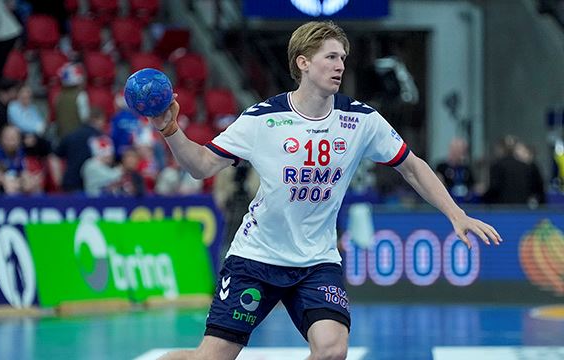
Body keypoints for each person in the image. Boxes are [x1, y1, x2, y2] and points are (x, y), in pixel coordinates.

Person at [148, 21, 501, 360]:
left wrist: (455, 212)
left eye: (343, 58)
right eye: (331, 56)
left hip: (317, 261)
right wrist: (171, 130)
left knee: (332, 349)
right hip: (256, 259)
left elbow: (412, 166)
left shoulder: (360, 120)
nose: (340, 65)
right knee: (212, 357)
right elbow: (201, 166)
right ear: (303, 62)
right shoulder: (263, 119)